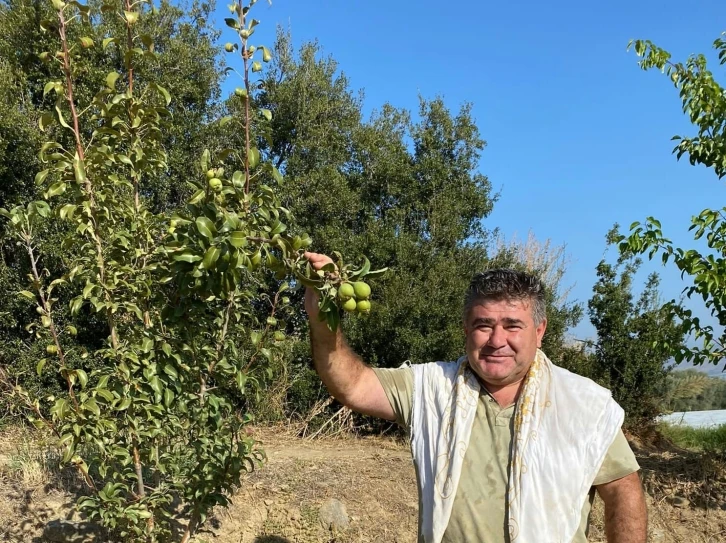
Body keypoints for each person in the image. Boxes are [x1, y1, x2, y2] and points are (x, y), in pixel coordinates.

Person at [303, 251, 648, 543]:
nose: (497, 340)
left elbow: (622, 489)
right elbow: (353, 385)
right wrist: (322, 319)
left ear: (539, 332)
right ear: (466, 329)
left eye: (513, 325)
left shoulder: (582, 403)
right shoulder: (432, 386)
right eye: (484, 325)